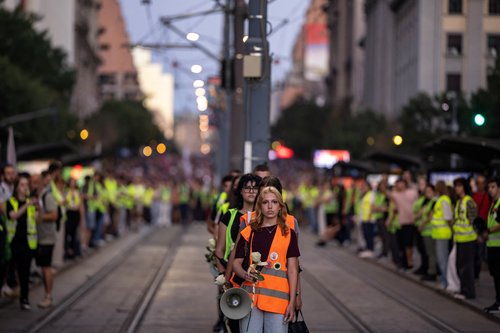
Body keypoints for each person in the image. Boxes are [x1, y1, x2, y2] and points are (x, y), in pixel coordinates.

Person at [233, 186, 299, 333]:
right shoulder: (248, 232)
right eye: (265, 202)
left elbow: (293, 270)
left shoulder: (289, 234)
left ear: (280, 207)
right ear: (260, 206)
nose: (270, 206)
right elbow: (236, 263)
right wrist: (244, 274)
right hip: (251, 299)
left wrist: (292, 302)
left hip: (278, 301)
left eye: (274, 202)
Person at [215, 173, 262, 333]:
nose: (251, 191)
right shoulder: (230, 215)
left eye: (255, 188)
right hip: (233, 277)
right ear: (240, 191)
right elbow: (219, 249)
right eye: (247, 188)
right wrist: (223, 276)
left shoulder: (266, 217)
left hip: (259, 279)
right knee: (235, 324)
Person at [6, 173, 39, 310]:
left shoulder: (31, 202)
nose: (25, 187)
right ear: (16, 187)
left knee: (24, 273)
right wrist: (27, 204)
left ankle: (24, 299)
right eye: (22, 185)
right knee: (9, 270)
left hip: (27, 242)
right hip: (12, 242)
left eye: (27, 185)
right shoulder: (11, 202)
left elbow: (37, 219)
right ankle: (10, 288)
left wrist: (38, 207)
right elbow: (13, 216)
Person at [452, 177, 478, 299]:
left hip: (468, 239)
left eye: (459, 186)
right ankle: (463, 289)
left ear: (464, 187)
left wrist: (478, 235)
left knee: (466, 267)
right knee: (459, 266)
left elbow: (474, 220)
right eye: (456, 186)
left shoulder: (468, 201)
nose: (457, 188)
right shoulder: (458, 202)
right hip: (460, 239)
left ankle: (469, 292)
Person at [37, 169, 59, 308]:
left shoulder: (47, 196)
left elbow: (53, 216)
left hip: (47, 238)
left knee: (46, 267)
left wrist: (38, 217)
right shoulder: (36, 197)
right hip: (37, 237)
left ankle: (48, 296)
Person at [387, 178, 418, 269]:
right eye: (398, 184)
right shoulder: (394, 195)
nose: (399, 186)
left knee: (408, 244)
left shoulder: (413, 192)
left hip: (411, 221)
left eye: (401, 183)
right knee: (401, 244)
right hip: (400, 222)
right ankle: (403, 261)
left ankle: (409, 262)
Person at [484, 177, 500, 313]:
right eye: (489, 187)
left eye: (493, 187)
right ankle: (498, 301)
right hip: (492, 244)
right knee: (495, 274)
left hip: (499, 245)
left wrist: (487, 231)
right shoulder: (493, 203)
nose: (490, 190)